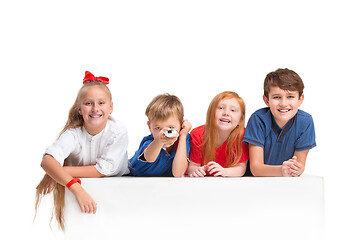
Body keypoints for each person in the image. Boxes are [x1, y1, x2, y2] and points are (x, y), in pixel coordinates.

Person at [35, 71, 129, 230]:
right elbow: (47, 160)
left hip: (118, 187)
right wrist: (75, 187)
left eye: (101, 103)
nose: (95, 109)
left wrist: (60, 171)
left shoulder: (118, 131)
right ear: (79, 109)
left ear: (111, 107)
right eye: (88, 103)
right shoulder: (74, 133)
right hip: (87, 190)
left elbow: (102, 170)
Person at [243, 68, 316, 177]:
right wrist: (282, 170)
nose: (283, 103)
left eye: (290, 97)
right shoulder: (258, 119)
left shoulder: (305, 122)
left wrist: (297, 169)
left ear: (300, 100)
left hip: (283, 182)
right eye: (277, 97)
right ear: (266, 100)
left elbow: (299, 165)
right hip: (252, 180)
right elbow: (255, 168)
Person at [129, 93, 191, 177]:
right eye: (158, 128)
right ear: (149, 127)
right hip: (132, 173)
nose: (164, 133)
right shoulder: (150, 141)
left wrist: (183, 136)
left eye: (171, 128)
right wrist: (159, 140)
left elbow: (178, 173)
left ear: (181, 124)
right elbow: (150, 158)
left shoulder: (183, 139)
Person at [188, 91, 249, 177]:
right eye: (220, 108)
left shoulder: (242, 136)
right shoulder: (198, 134)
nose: (226, 113)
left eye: (232, 110)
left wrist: (225, 171)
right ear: (211, 113)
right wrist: (196, 171)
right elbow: (192, 166)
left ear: (240, 120)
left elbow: (241, 168)